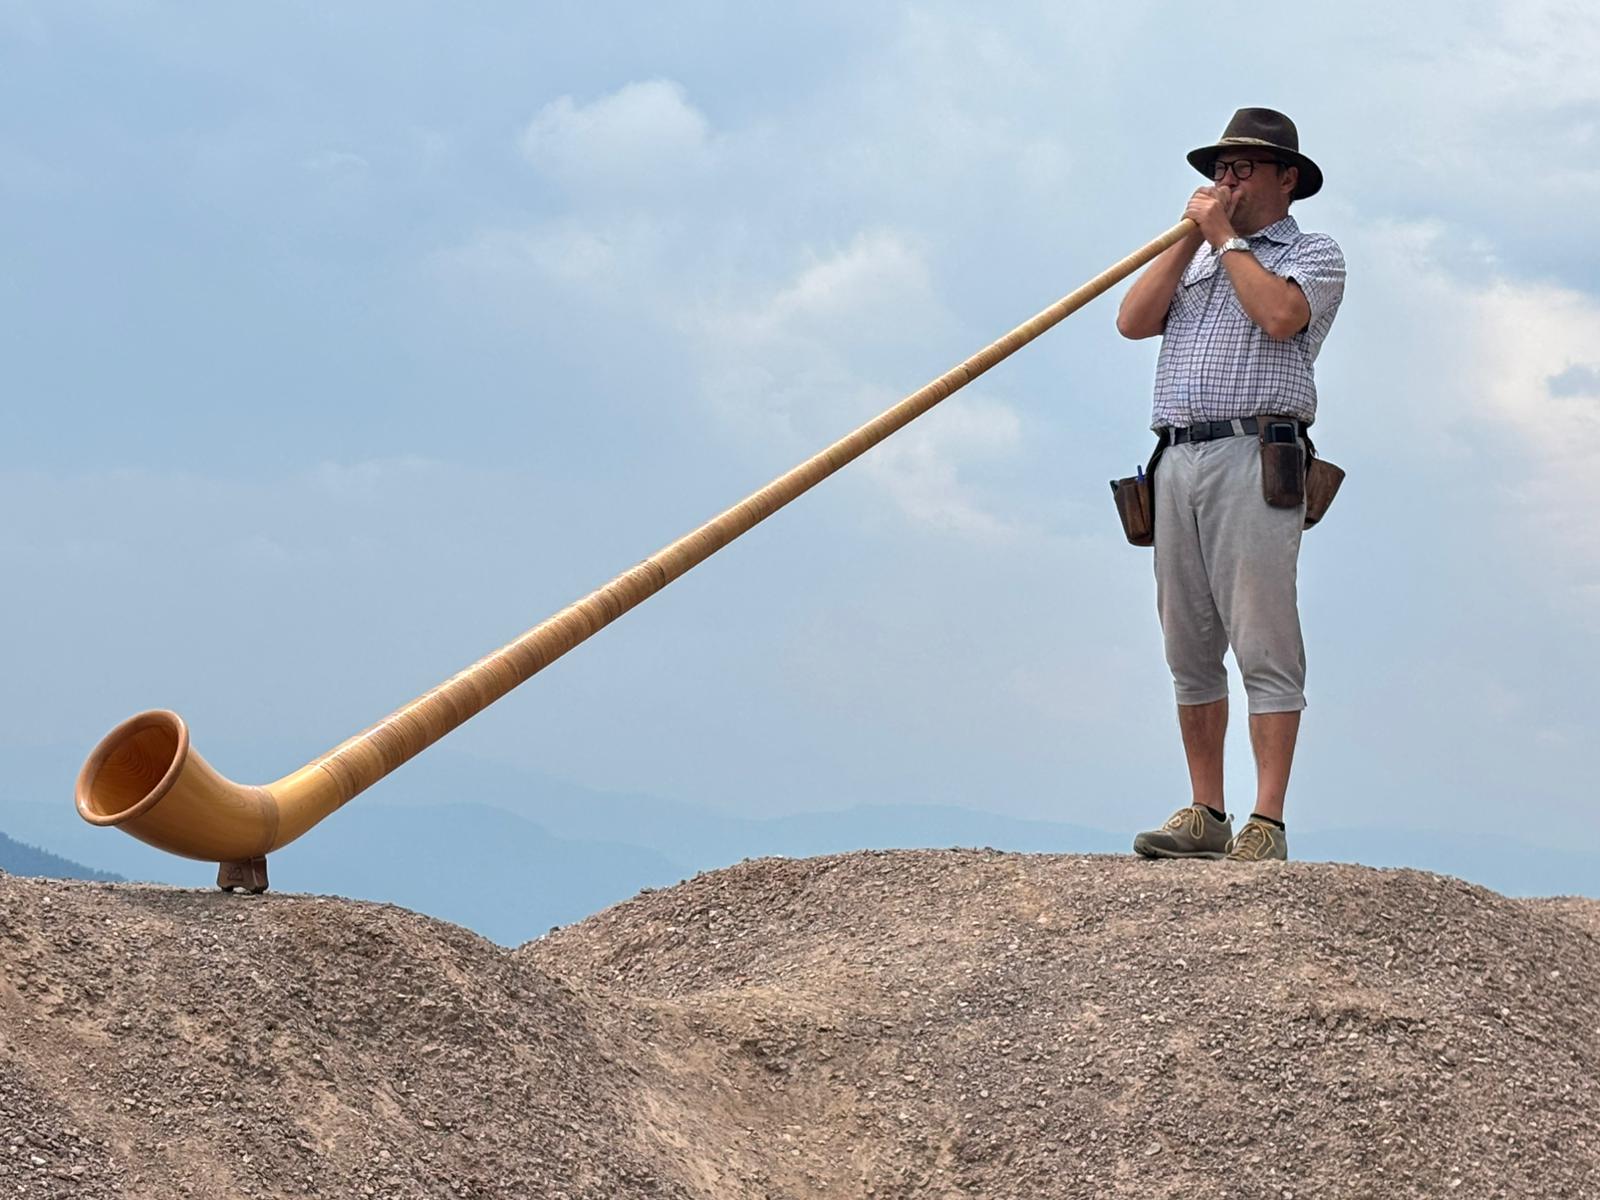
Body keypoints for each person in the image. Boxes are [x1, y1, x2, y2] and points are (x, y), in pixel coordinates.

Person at [1115, 107, 1345, 863]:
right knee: (1188, 640)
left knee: (1263, 636)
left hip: (1255, 451)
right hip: (1176, 454)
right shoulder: (1199, 257)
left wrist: (1225, 239)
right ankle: (1206, 809)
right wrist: (1190, 240)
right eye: (1220, 169)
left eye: (1243, 168)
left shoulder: (1311, 253)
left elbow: (1280, 317)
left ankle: (1266, 819)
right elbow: (1132, 320)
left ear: (1287, 179)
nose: (1226, 181)